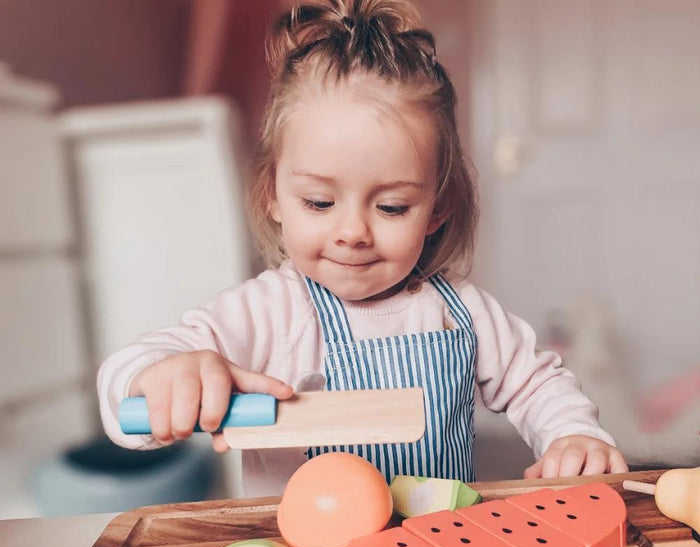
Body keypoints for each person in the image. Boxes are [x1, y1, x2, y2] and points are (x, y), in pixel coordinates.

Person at [98, 0, 628, 496]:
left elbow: (536, 383)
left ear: (438, 208)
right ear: (274, 197)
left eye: (392, 207)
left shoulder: (460, 312)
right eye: (319, 202)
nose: (353, 232)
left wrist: (573, 436)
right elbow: (124, 390)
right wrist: (165, 376)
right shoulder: (269, 312)